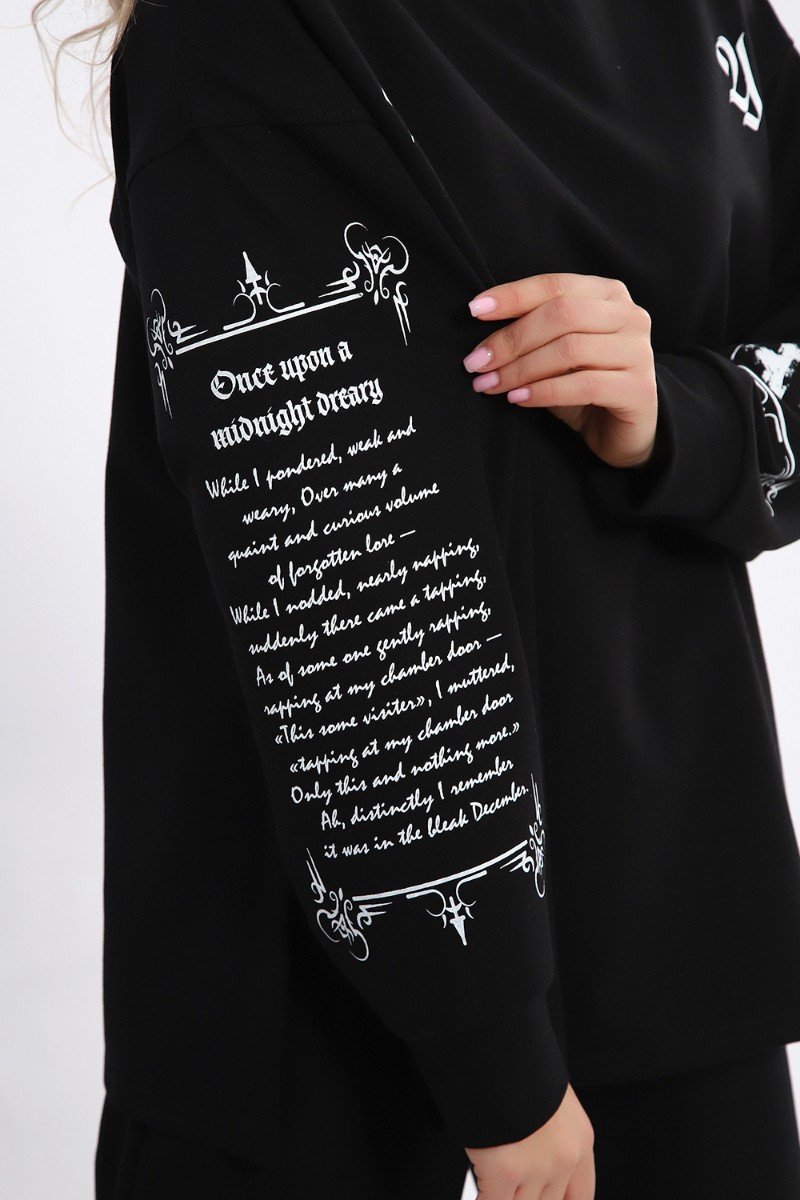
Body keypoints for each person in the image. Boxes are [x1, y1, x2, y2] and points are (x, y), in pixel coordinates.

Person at [35, 0, 800, 1196]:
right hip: (311, 1033)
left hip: (671, 949)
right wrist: (501, 1072)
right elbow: (342, 573)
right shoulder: (239, 33)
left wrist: (687, 414)